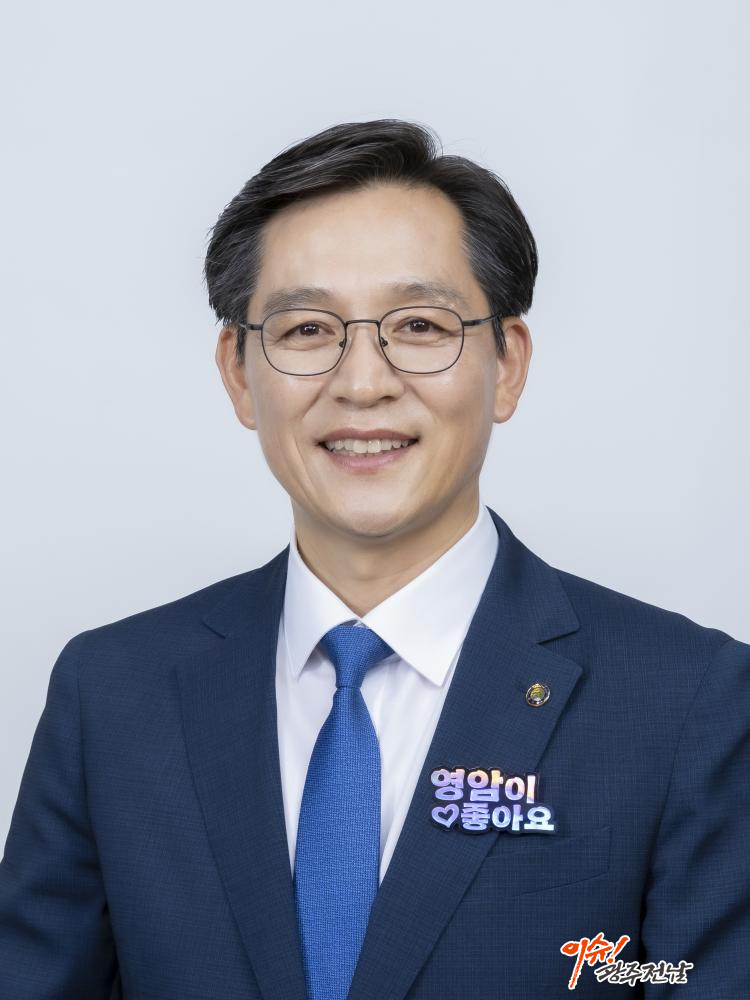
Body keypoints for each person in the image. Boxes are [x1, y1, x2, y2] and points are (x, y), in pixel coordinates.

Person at [0, 118, 748, 1000]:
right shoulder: (113, 695)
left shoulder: (687, 701)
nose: (362, 383)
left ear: (507, 364)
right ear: (239, 373)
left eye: (420, 325)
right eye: (307, 329)